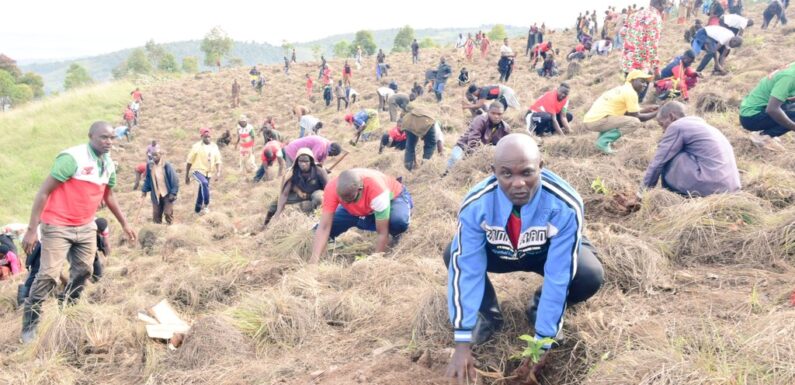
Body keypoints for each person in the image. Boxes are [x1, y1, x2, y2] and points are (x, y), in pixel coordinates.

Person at [444, 134, 603, 383]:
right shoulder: (477, 204)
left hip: (546, 253)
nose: (518, 183)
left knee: (589, 274)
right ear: (493, 171)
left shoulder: (564, 204)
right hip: (501, 252)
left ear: (541, 167)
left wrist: (543, 339)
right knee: (453, 253)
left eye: (527, 173)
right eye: (506, 174)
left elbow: (559, 273)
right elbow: (467, 269)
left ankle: (538, 308)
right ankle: (487, 315)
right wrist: (462, 340)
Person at [20, 121, 136, 343]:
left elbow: (108, 195)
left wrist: (125, 223)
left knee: (84, 271)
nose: (108, 142)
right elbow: (43, 192)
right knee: (47, 276)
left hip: (85, 226)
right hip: (57, 225)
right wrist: (31, 229)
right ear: (91, 136)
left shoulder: (108, 164)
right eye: (103, 137)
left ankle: (68, 311)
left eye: (112, 138)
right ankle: (30, 326)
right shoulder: (72, 158)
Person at [309, 168, 412, 263]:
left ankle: (397, 233)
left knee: (398, 222)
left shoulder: (377, 190)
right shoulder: (332, 188)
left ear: (360, 189)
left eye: (350, 199)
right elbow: (324, 227)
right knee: (316, 232)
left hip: (393, 198)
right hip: (365, 206)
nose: (347, 202)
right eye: (342, 200)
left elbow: (382, 232)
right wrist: (313, 261)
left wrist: (374, 260)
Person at [642, 101, 740, 196]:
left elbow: (658, 161)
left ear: (672, 117)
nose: (663, 131)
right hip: (730, 187)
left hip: (711, 186)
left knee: (668, 156)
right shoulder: (705, 127)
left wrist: (642, 193)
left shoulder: (677, 126)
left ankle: (671, 195)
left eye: (662, 125)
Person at [582, 70, 660, 154]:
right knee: (634, 122)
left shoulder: (622, 89)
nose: (644, 85)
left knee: (622, 119)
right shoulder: (631, 93)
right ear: (632, 80)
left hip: (591, 121)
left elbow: (630, 112)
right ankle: (603, 142)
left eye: (646, 83)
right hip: (597, 121)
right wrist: (657, 113)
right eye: (642, 81)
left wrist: (647, 109)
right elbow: (636, 117)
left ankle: (601, 141)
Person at [264, 148, 328, 228]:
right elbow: (284, 194)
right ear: (297, 162)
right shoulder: (293, 172)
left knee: (318, 198)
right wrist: (278, 213)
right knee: (275, 203)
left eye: (306, 161)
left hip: (315, 193)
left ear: (311, 161)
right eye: (301, 161)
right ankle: (265, 224)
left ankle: (314, 219)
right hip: (300, 194)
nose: (303, 164)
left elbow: (328, 189)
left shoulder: (319, 171)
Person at [739, 62, 795, 151]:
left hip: (758, 109)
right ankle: (765, 136)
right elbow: (772, 109)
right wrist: (793, 126)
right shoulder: (790, 77)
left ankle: (767, 133)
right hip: (752, 117)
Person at [621, 0, 665, 101]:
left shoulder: (634, 15)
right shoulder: (655, 18)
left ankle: (623, 111)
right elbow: (652, 45)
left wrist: (631, 45)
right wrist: (656, 68)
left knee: (628, 91)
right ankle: (633, 113)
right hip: (641, 63)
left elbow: (622, 32)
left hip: (628, 59)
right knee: (636, 97)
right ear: (661, 4)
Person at [447, 103, 510, 171]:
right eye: (493, 113)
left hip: (482, 151)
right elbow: (473, 141)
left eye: (499, 114)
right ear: (488, 112)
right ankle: (445, 176)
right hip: (463, 146)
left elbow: (502, 147)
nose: (496, 116)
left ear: (503, 114)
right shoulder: (480, 120)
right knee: (455, 161)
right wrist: (474, 159)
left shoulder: (505, 128)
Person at [185, 127, 222, 215]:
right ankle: (206, 204)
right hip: (197, 171)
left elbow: (218, 160)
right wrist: (186, 175)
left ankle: (197, 209)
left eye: (209, 136)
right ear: (202, 137)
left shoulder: (214, 147)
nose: (207, 138)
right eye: (205, 136)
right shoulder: (196, 147)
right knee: (204, 183)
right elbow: (189, 161)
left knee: (202, 189)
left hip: (208, 172)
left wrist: (218, 172)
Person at [141, 148, 179, 224]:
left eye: (156, 155)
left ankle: (171, 227)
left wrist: (173, 193)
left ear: (160, 155)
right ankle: (157, 230)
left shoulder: (166, 165)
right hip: (156, 194)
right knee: (156, 215)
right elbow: (148, 178)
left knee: (168, 213)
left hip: (167, 193)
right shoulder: (150, 165)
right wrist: (144, 190)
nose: (154, 156)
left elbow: (174, 179)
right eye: (152, 155)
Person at [400, 105, 439, 171]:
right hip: (426, 122)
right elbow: (437, 140)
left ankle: (408, 166)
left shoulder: (408, 115)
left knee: (410, 145)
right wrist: (441, 153)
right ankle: (425, 165)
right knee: (431, 144)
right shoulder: (434, 123)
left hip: (408, 122)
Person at [90, 218, 109, 283]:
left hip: (94, 236)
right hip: (84, 235)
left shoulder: (104, 229)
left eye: (99, 232)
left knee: (102, 244)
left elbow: (106, 243)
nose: (98, 232)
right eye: (97, 231)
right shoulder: (89, 225)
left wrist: (106, 257)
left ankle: (96, 276)